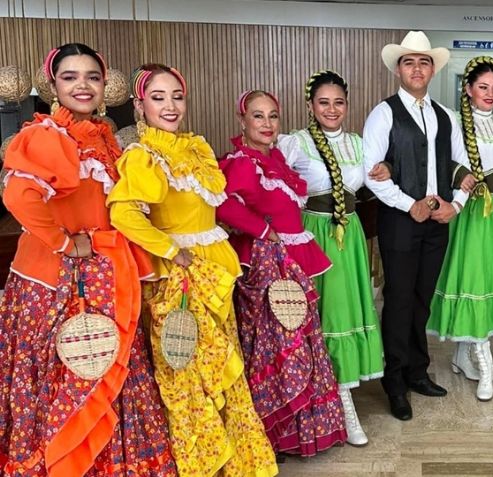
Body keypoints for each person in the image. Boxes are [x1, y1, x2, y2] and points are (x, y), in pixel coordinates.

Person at [0, 44, 176, 476]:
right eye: (71, 77)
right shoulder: (46, 135)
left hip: (105, 275)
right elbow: (19, 196)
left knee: (107, 367)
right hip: (55, 281)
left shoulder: (107, 139)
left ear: (103, 86)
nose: (83, 85)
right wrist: (64, 242)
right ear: (53, 86)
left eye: (93, 77)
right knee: (71, 372)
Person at [106, 64, 277, 475]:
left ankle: (235, 463)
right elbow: (124, 213)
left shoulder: (194, 148)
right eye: (158, 97)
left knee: (220, 368)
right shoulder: (144, 156)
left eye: (177, 96)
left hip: (212, 271)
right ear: (139, 105)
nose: (169, 106)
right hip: (178, 278)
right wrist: (170, 249)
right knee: (187, 375)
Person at [218, 89, 347, 454]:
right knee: (276, 346)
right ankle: (273, 432)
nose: (267, 123)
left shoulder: (276, 159)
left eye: (273, 116)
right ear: (242, 120)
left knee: (298, 342)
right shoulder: (242, 162)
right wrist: (262, 231)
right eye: (258, 116)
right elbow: (222, 205)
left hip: (289, 261)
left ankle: (300, 429)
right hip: (266, 262)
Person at [362, 30, 474, 421]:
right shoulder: (383, 113)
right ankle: (394, 381)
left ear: (432, 69)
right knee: (398, 299)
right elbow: (372, 174)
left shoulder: (446, 116)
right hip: (400, 223)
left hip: (436, 222)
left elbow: (461, 168)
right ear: (398, 69)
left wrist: (455, 205)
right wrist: (410, 205)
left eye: (423, 62)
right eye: (409, 61)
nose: (417, 68)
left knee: (423, 298)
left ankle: (417, 372)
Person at [277, 71, 385, 445]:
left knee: (344, 312)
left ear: (347, 105)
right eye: (324, 102)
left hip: (348, 236)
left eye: (338, 102)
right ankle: (322, 400)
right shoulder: (296, 143)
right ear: (310, 106)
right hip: (312, 235)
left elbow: (376, 182)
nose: (332, 109)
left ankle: (342, 397)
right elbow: (270, 179)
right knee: (318, 315)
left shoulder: (358, 144)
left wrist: (388, 170)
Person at [426, 56, 493, 401]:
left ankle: (462, 353)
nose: (490, 93)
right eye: (483, 87)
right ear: (468, 89)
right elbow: (447, 159)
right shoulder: (457, 122)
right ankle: (484, 362)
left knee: (491, 277)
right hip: (471, 209)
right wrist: (461, 177)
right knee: (472, 277)